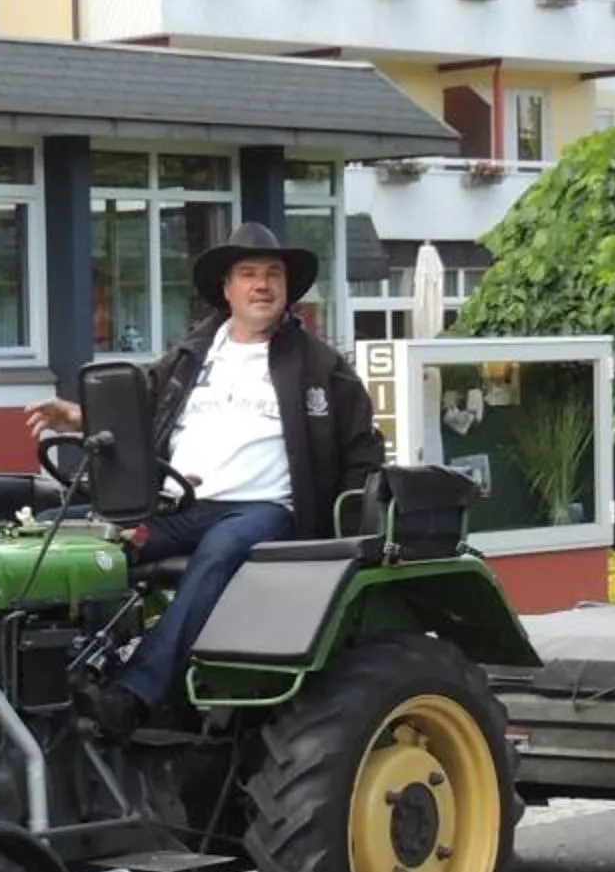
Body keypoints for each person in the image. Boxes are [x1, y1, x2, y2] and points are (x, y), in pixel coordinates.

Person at [25, 226, 383, 739]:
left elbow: (362, 449)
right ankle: (69, 672)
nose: (262, 285)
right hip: (178, 504)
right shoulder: (192, 354)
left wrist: (349, 528)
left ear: (287, 289)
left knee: (220, 550)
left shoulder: (321, 366)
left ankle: (134, 696)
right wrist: (79, 417)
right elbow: (133, 406)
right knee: (63, 535)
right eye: (249, 274)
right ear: (227, 288)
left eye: (273, 275)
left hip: (265, 511)